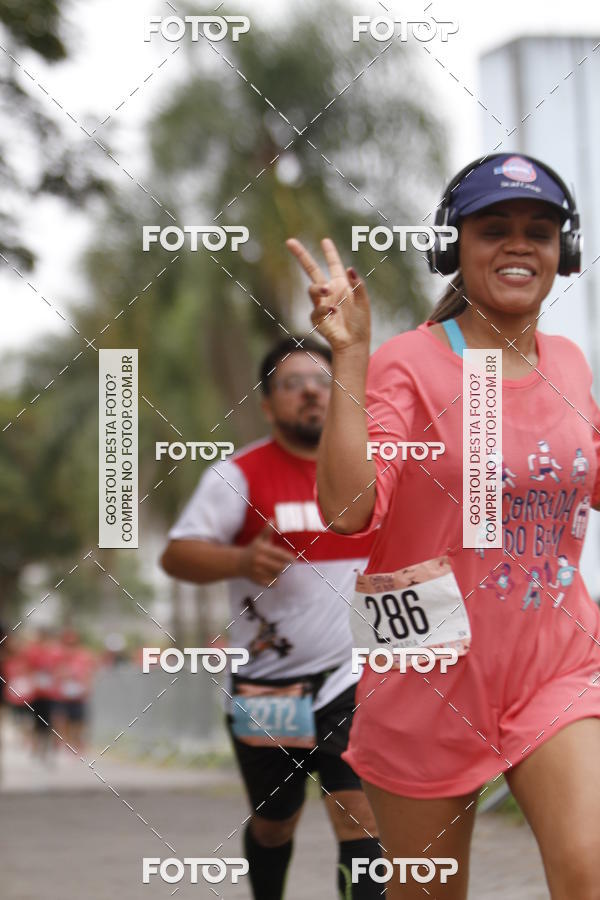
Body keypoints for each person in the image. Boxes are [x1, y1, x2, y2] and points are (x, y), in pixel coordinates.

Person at [286, 152, 600, 899]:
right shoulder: (409, 363)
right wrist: (350, 359)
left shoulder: (569, 363)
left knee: (591, 863)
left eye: (540, 231)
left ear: (564, 252)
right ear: (453, 247)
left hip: (556, 663)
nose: (519, 245)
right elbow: (349, 510)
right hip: (424, 666)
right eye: (495, 229)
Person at [161, 336, 381, 899]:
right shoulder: (237, 476)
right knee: (275, 823)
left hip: (352, 679)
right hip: (268, 689)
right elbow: (177, 555)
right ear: (266, 404)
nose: (311, 392)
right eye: (292, 383)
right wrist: (238, 560)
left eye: (324, 381)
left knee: (360, 816)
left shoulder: (374, 468)